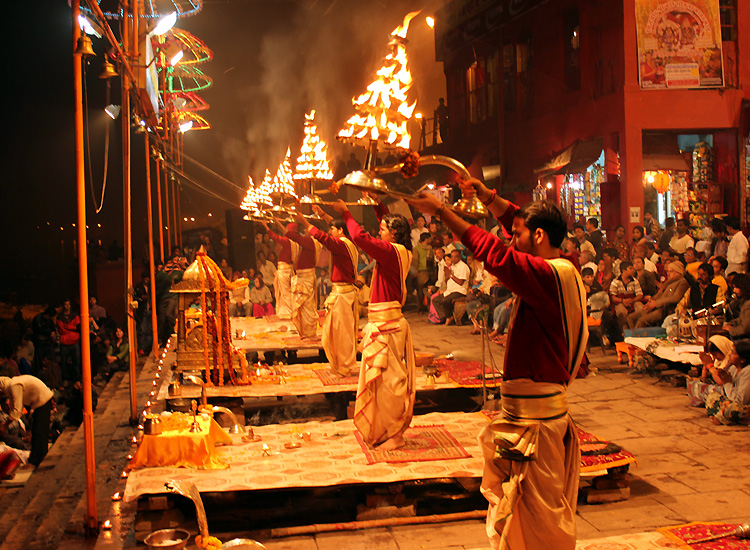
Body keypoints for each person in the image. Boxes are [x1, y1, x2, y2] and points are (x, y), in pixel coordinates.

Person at [407, 179, 586, 550]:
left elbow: (496, 255)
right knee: (521, 514)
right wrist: (488, 197)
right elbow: (515, 227)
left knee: (539, 519)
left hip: (538, 425)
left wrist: (442, 212)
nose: (510, 237)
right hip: (528, 418)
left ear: (538, 236)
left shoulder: (549, 275)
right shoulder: (557, 267)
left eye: (516, 234)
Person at [332, 198, 415, 450]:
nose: (380, 229)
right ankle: (384, 430)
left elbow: (360, 236)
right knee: (380, 383)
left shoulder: (391, 252)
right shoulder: (398, 249)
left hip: (387, 326)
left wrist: (346, 212)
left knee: (389, 383)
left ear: (394, 233)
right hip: (383, 322)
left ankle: (396, 434)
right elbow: (383, 222)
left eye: (384, 228)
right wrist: (376, 201)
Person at [299, 208, 359, 377]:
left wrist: (303, 220)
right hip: (340, 294)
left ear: (340, 231)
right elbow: (332, 230)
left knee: (341, 334)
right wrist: (323, 213)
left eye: (333, 229)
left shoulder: (341, 244)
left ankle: (344, 366)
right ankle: (340, 365)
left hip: (343, 296)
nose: (330, 231)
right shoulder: (346, 241)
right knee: (332, 333)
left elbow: (322, 237)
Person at [278, 220, 323, 339]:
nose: (304, 230)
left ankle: (309, 332)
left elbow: (293, 236)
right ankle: (306, 332)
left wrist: (277, 223)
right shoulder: (314, 242)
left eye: (307, 228)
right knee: (304, 306)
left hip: (305, 278)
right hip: (304, 276)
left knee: (306, 305)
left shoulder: (310, 241)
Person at [0, 375, 54, 468]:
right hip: (39, 401)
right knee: (39, 431)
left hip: (42, 400)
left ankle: (34, 461)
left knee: (39, 431)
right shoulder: (13, 384)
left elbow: (17, 410)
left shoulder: (14, 385)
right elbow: (14, 409)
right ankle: (41, 456)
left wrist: (5, 425)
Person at [626, 261, 689, 328]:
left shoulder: (682, 282)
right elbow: (659, 295)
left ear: (678, 272)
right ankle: (632, 336)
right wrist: (651, 301)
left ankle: (637, 337)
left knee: (641, 321)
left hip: (664, 309)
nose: (668, 274)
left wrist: (656, 303)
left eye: (671, 271)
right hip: (655, 306)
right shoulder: (668, 282)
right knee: (630, 318)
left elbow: (675, 298)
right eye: (667, 271)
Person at [262, 221, 299, 319]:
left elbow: (274, 237)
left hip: (284, 270)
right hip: (288, 270)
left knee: (285, 292)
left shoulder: (288, 241)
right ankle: (288, 311)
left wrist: (266, 226)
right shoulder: (296, 242)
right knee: (286, 292)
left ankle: (288, 312)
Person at [433, 249, 470, 325]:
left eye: (455, 257)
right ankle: (447, 317)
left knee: (445, 300)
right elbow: (449, 280)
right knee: (436, 300)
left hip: (459, 291)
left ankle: (448, 318)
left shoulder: (463, 267)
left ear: (460, 257)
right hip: (450, 290)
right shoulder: (453, 266)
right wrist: (447, 275)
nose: (453, 259)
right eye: (452, 257)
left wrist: (450, 274)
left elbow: (460, 282)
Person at [609, 261, 644, 332]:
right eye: (630, 268)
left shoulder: (635, 281)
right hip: (620, 302)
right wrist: (623, 301)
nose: (633, 270)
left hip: (633, 301)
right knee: (621, 311)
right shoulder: (615, 282)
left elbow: (640, 295)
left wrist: (632, 300)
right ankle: (624, 331)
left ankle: (638, 330)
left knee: (640, 308)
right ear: (624, 270)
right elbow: (612, 297)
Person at [56, 299, 81, 383]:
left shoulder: (75, 315)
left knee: (76, 362)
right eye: (66, 304)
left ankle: (76, 380)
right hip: (64, 342)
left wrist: (67, 328)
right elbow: (61, 330)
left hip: (75, 341)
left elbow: (78, 327)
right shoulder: (60, 317)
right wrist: (72, 329)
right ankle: (65, 379)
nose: (67, 306)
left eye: (69, 304)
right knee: (64, 363)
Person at [723, 273, 750, 339]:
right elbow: (742, 319)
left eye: (736, 287)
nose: (734, 290)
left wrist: (730, 329)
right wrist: (731, 323)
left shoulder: (748, 304)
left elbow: (744, 329)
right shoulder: (744, 302)